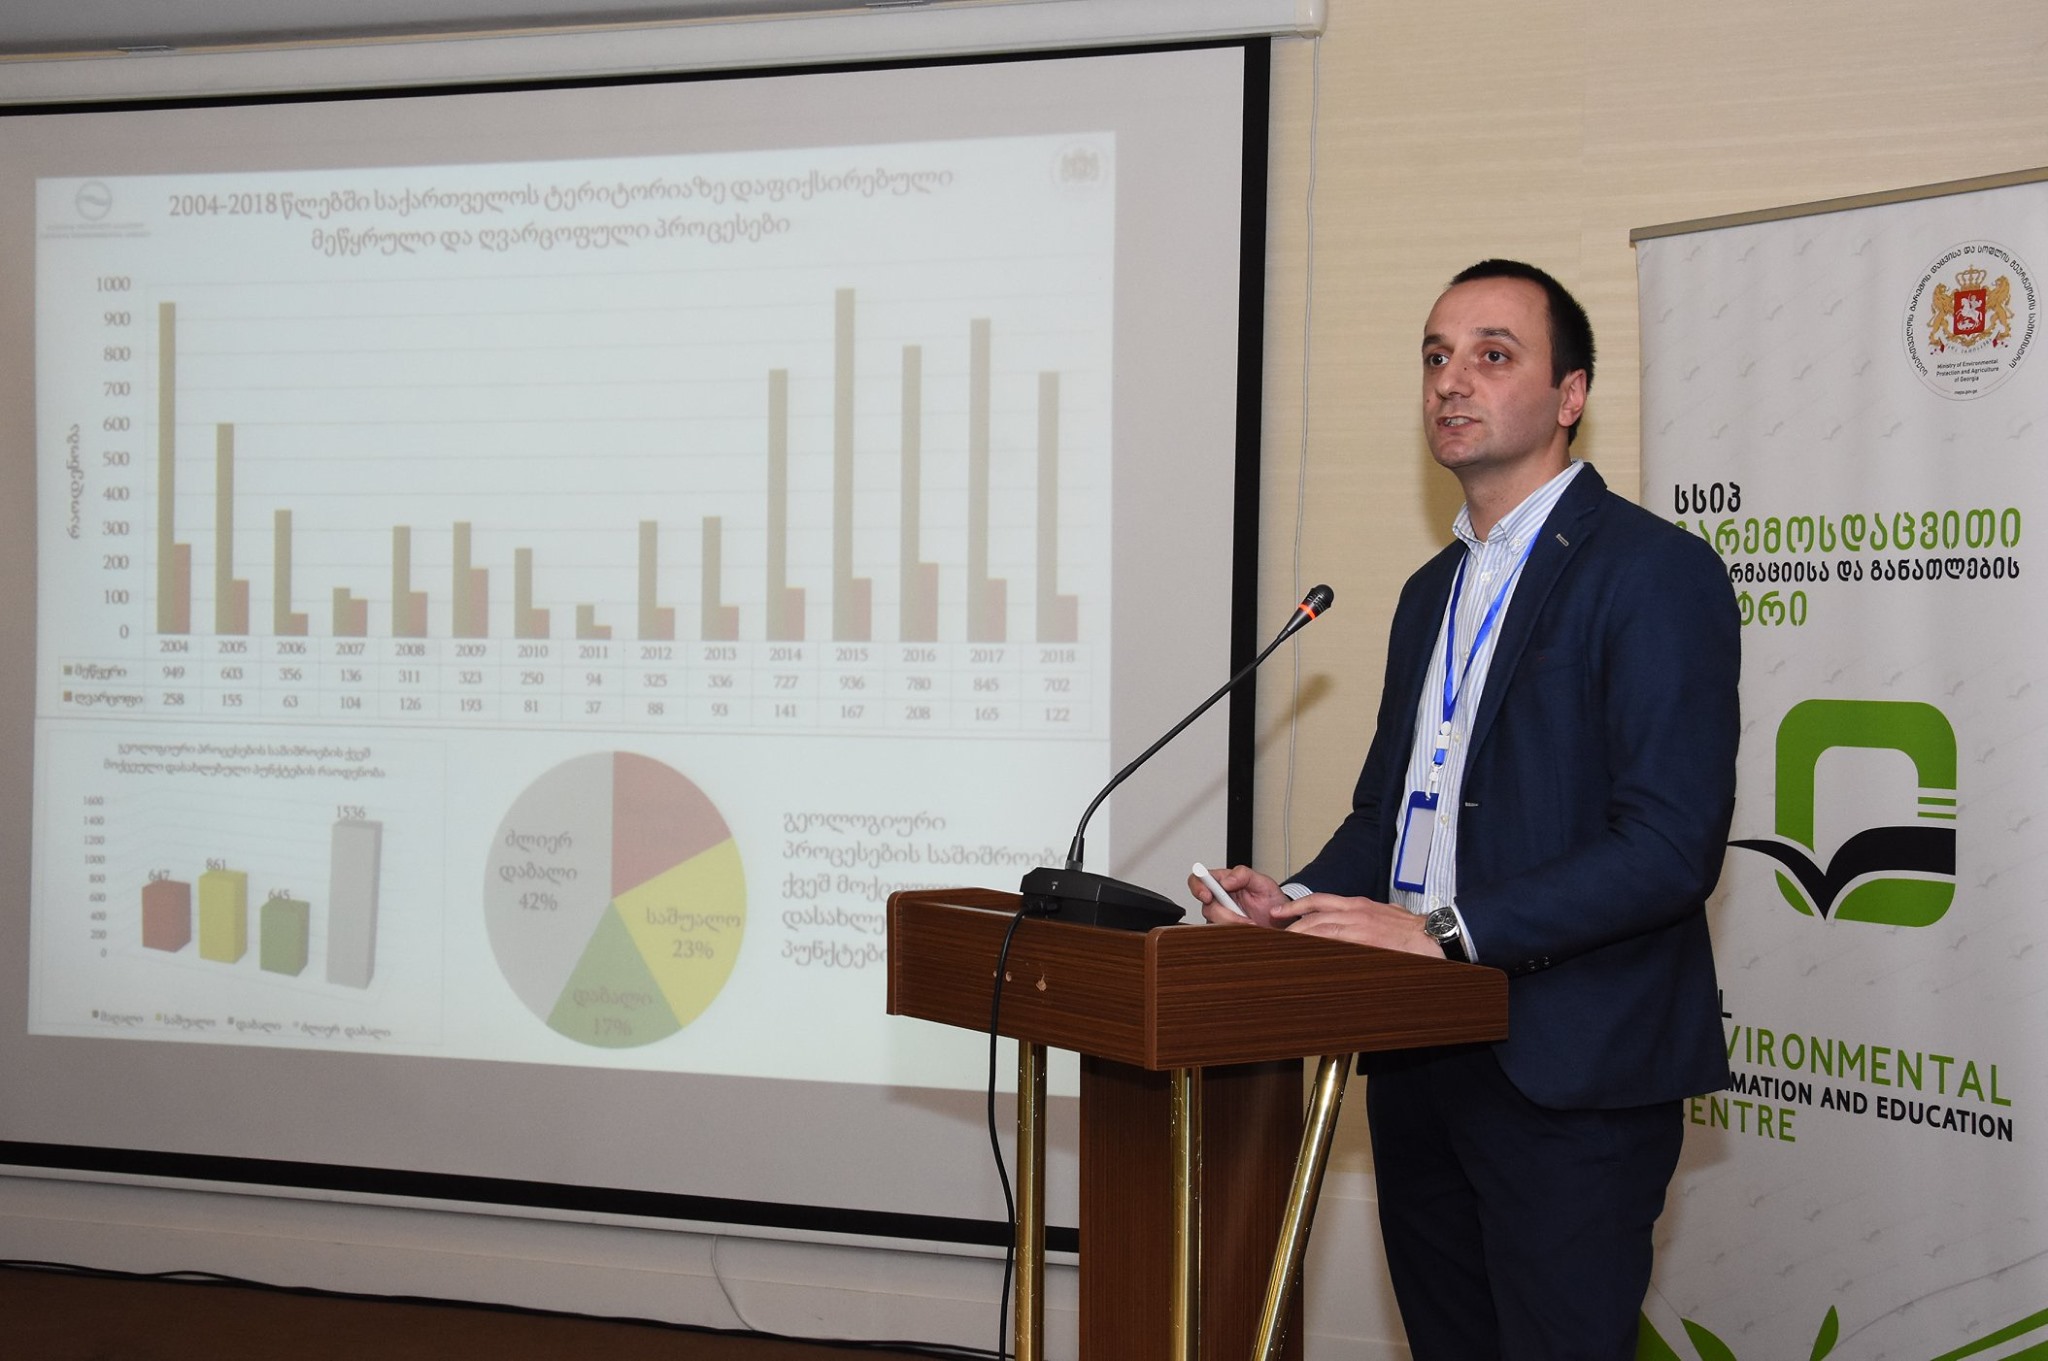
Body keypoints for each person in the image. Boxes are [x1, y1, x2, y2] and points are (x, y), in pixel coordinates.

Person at [1190, 260, 1738, 1360]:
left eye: (1493, 355)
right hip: (1417, 1057)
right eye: (1436, 356)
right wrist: (1292, 900)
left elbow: (1669, 846)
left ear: (1570, 394)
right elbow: (1389, 818)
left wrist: (1440, 931)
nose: (1451, 380)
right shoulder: (1427, 592)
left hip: (1568, 1068)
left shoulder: (1653, 571)